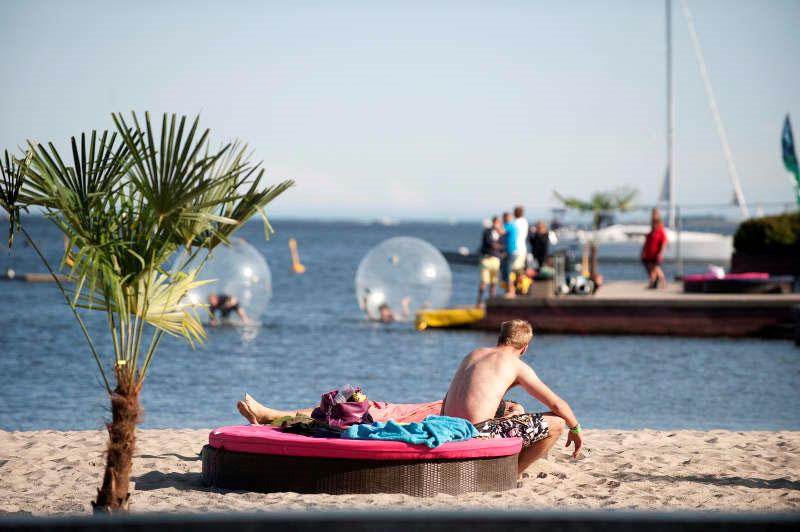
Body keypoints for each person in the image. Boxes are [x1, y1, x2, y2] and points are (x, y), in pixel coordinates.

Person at [441, 319, 583, 475]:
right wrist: (575, 429)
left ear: (499, 338)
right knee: (558, 423)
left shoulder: (474, 354)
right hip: (476, 433)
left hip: (447, 426)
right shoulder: (515, 365)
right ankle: (513, 474)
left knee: (514, 408)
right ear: (524, 349)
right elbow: (557, 405)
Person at [237, 393, 526, 426]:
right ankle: (270, 415)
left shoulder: (469, 417)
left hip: (391, 418)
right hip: (393, 409)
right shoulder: (460, 402)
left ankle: (269, 416)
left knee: (338, 413)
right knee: (340, 406)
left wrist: (512, 409)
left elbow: (518, 411)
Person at [477, 216, 505, 306]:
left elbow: (503, 245)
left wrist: (498, 246)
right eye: (496, 222)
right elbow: (489, 243)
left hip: (496, 260)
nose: (497, 224)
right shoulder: (487, 232)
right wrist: (497, 246)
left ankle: (491, 301)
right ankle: (479, 301)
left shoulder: (501, 234)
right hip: (486, 259)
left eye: (498, 222)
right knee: (484, 281)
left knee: (494, 282)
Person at [641, 208, 668, 289]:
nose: (654, 224)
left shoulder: (660, 232)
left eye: (655, 223)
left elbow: (664, 242)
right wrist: (644, 252)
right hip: (650, 254)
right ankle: (653, 283)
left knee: (656, 269)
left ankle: (660, 282)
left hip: (656, 254)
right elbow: (647, 244)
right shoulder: (652, 233)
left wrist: (661, 252)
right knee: (653, 269)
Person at [500, 211, 518, 297]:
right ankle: (509, 291)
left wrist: (495, 225)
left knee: (507, 271)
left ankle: (511, 291)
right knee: (506, 271)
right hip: (510, 251)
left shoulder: (509, 225)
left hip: (510, 252)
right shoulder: (513, 226)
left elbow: (501, 232)